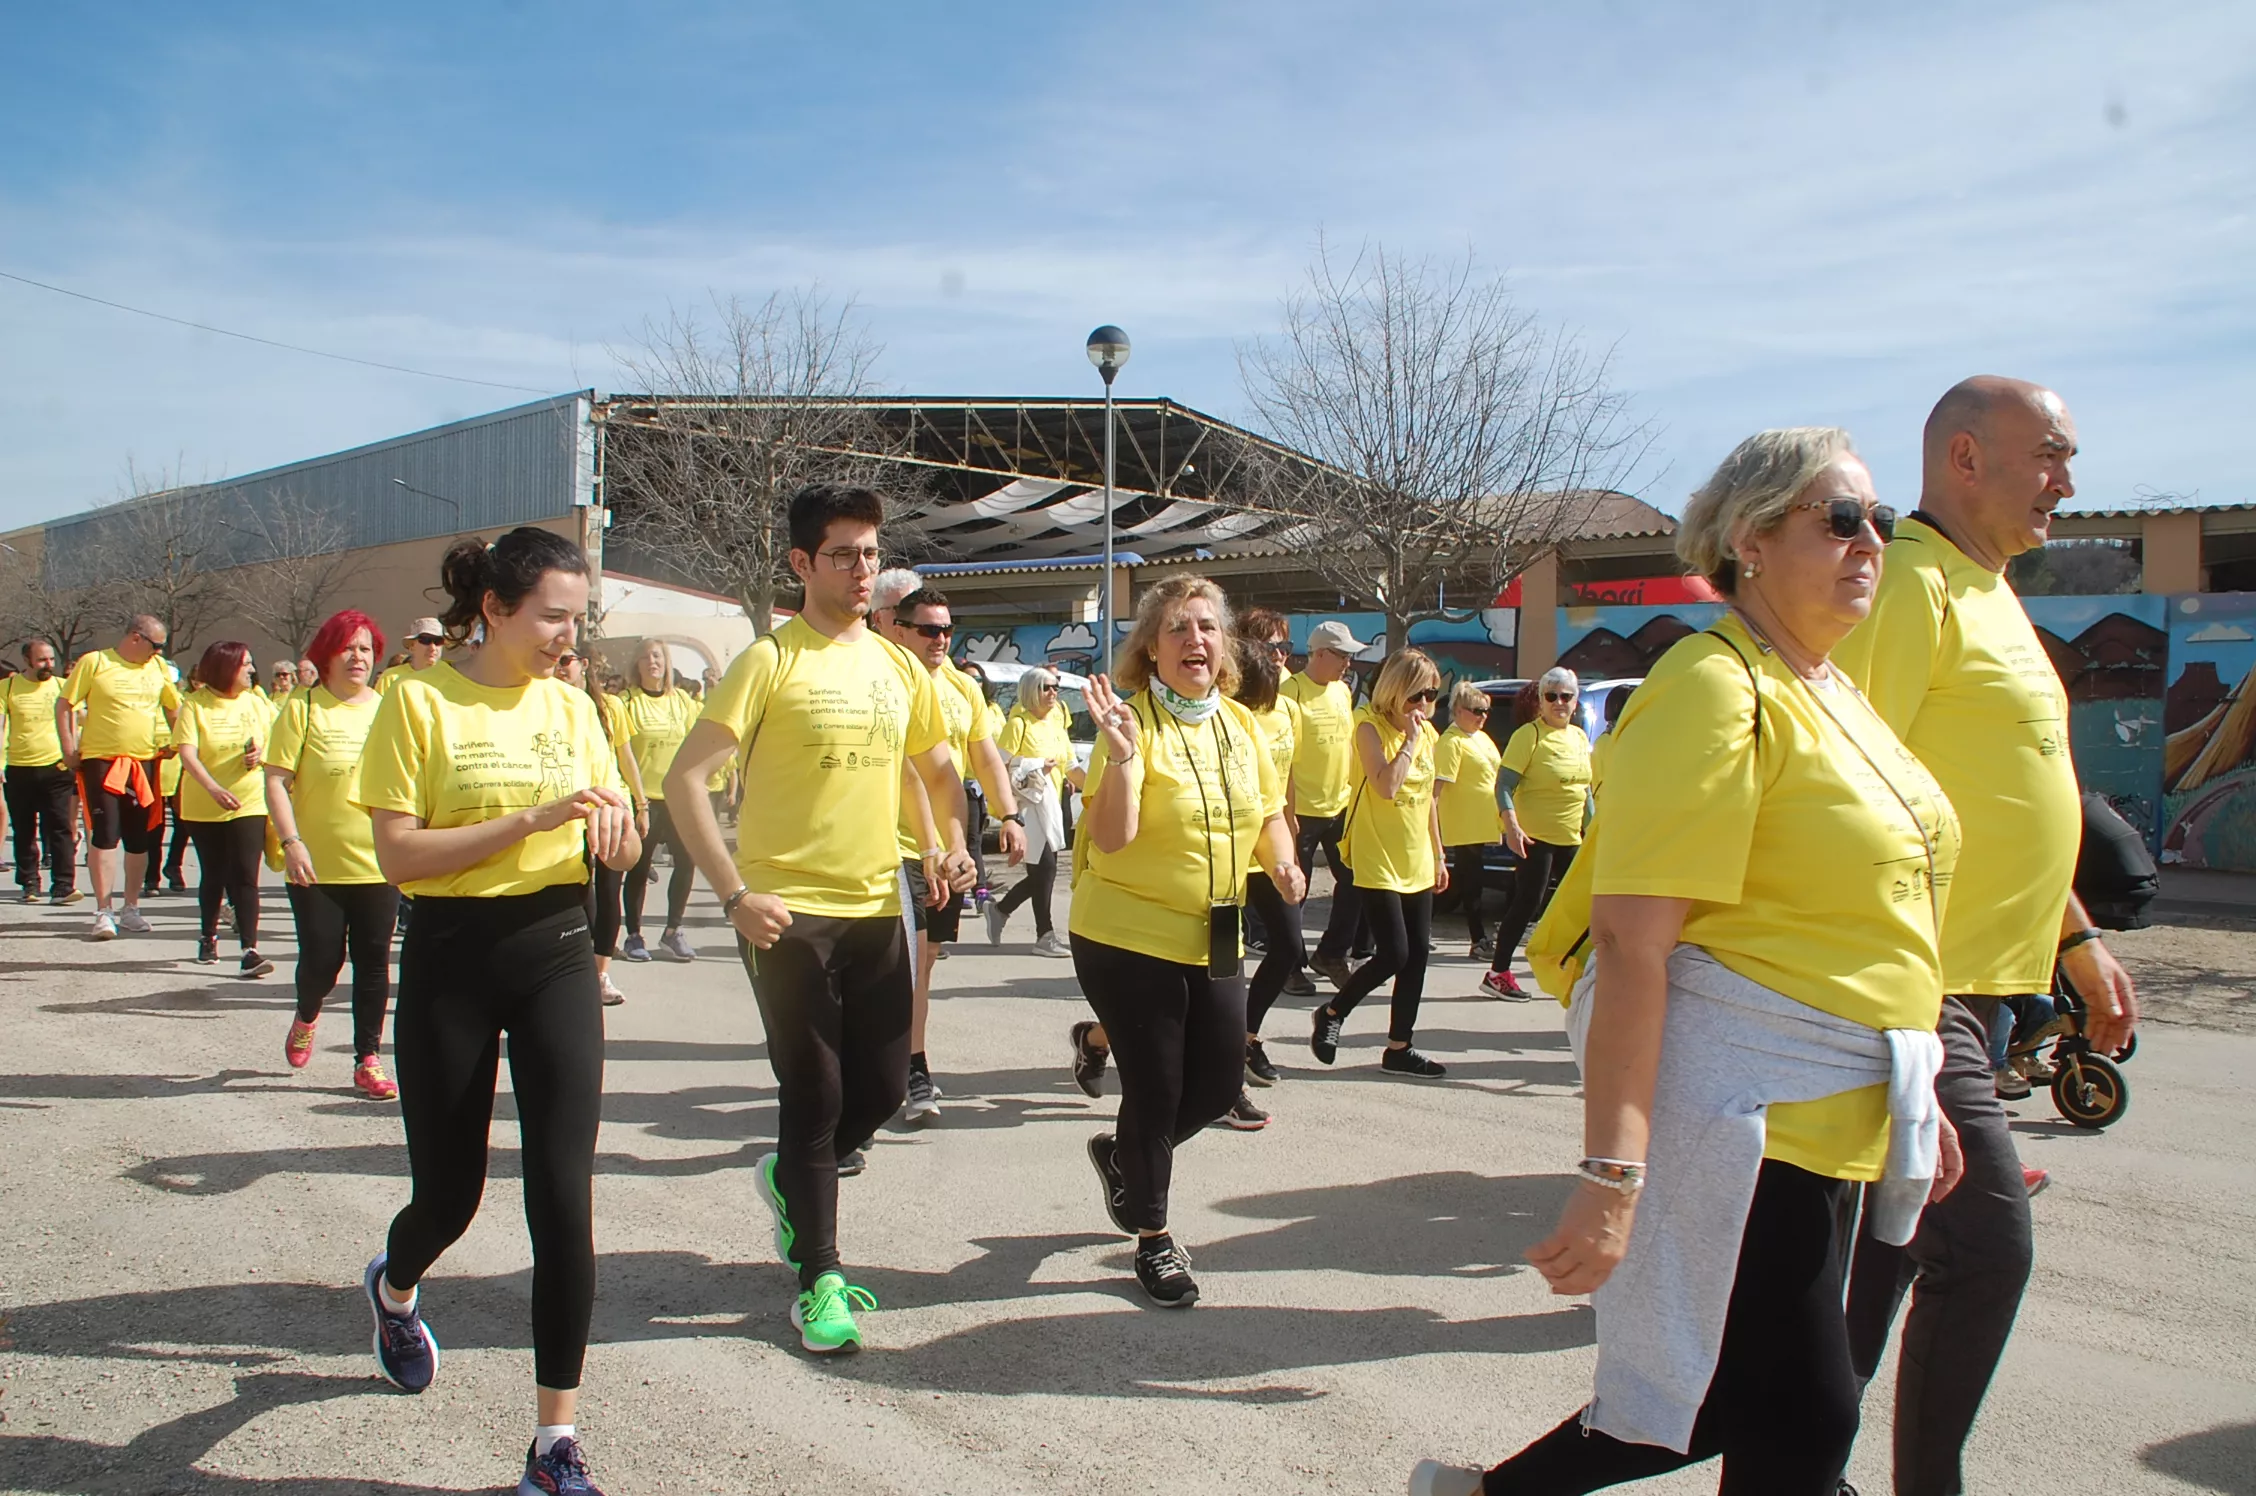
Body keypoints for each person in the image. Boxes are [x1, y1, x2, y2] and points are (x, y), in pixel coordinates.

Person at [1412, 426, 1966, 1496]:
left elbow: (1884, 917)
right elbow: (1632, 941)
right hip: (1752, 1119)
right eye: (1840, 519)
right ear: (1750, 540)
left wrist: (1915, 1085)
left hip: (1843, 1112)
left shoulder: (1834, 689)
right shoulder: (1714, 687)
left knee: (1742, 1402)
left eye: (1881, 521)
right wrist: (1612, 1173)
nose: (1871, 542)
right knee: (1805, 1413)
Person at [1832, 377, 2142, 1496]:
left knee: (1872, 1280)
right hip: (1920, 995)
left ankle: (1791, 1464)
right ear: (1965, 458)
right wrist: (1900, 1008)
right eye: (2049, 454)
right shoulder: (1909, 585)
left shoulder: (1992, 589)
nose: (2067, 481)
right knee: (1988, 1249)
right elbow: (1846, 792)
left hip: (1989, 987)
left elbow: (2007, 797)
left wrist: (2075, 938)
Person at [354, 525, 639, 1496]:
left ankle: (555, 1442)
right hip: (451, 955)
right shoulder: (419, 699)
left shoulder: (573, 704)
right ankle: (395, 1285)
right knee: (450, 1196)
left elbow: (621, 838)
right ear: (495, 609)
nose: (569, 634)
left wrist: (616, 835)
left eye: (577, 617)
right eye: (554, 616)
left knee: (562, 1196)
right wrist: (531, 819)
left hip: (556, 950)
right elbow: (399, 856)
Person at [665, 483, 975, 1355]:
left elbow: (931, 771)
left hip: (877, 905)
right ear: (803, 563)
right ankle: (820, 1279)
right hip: (785, 913)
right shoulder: (769, 661)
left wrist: (946, 843)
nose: (861, 569)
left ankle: (788, 1181)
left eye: (871, 553)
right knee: (816, 1095)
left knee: (882, 1089)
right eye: (843, 555)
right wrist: (734, 894)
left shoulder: (898, 667)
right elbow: (685, 778)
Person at [1066, 578, 1302, 1306]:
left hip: (1219, 928)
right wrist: (1122, 758)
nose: (1195, 639)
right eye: (1177, 628)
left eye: (1207, 627)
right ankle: (1154, 1237)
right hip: (1127, 933)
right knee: (1156, 1086)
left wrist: (1284, 863)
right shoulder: (1129, 723)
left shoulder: (1241, 724)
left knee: (1218, 1085)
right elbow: (1113, 837)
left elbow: (1268, 812)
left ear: (1224, 645)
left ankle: (1123, 1157)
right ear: (1150, 649)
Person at [880, 585, 1028, 1123]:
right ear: (899, 630)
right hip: (893, 845)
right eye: (928, 629)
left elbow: (984, 759)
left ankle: (903, 1059)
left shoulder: (964, 688)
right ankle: (909, 1068)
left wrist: (1009, 816)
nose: (940, 639)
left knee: (924, 963)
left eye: (946, 629)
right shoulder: (885, 681)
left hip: (948, 846)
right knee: (908, 962)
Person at [266, 609, 401, 1095]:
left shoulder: (387, 709)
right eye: (348, 648)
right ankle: (307, 1013)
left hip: (377, 862)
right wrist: (292, 842)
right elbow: (276, 781)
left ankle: (368, 1058)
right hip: (315, 864)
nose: (358, 657)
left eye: (366, 648)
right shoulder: (304, 707)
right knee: (323, 960)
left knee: (374, 962)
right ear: (327, 655)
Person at [1310, 648, 1450, 1078]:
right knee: (1393, 953)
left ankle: (1399, 1047)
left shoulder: (1429, 733)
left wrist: (1439, 853)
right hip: (1376, 854)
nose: (1424, 704)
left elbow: (1428, 799)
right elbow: (1386, 787)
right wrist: (1408, 741)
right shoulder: (1368, 727)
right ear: (1395, 689)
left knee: (1418, 954)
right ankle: (1333, 1013)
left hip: (1416, 855)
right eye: (1417, 694)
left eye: (1431, 695)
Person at [58, 615, 182, 939]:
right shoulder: (95, 662)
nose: (159, 652)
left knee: (139, 838)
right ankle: (104, 910)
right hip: (102, 760)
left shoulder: (157, 668)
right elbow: (65, 704)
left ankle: (131, 908)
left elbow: (174, 709)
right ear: (136, 637)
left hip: (143, 761)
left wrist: (178, 742)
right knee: (105, 834)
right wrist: (68, 747)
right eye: (156, 645)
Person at [1480, 666, 1592, 1000]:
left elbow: (1585, 790)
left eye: (1566, 696)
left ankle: (1576, 969)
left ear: (1575, 701)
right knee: (1528, 903)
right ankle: (1497, 973)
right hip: (1536, 838)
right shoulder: (1529, 735)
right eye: (1551, 696)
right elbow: (1504, 785)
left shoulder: (1579, 737)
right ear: (1541, 701)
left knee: (1581, 905)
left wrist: (1594, 829)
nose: (1559, 703)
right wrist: (1511, 826)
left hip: (1571, 837)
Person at [174, 641, 279, 976]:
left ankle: (250, 949)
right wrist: (213, 788)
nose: (252, 670)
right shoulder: (195, 704)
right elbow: (187, 754)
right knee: (215, 872)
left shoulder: (256, 701)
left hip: (249, 800)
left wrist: (260, 753)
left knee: (247, 874)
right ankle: (208, 935)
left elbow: (277, 741)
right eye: (245, 664)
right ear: (226, 667)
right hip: (205, 803)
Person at [1231, 631, 1301, 1121]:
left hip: (1271, 852)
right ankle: (1103, 1037)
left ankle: (1246, 1037)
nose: (1278, 656)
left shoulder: (1285, 711)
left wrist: (1290, 842)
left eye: (1283, 648)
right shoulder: (1227, 718)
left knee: (1290, 946)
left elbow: (1284, 781)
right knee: (1219, 966)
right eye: (1270, 648)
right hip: (1229, 853)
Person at [1283, 619, 1369, 989]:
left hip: (1339, 806)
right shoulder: (1290, 692)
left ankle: (1331, 954)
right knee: (1294, 893)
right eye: (1342, 655)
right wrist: (1286, 813)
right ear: (1319, 654)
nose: (1348, 663)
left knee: (1356, 880)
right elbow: (1281, 759)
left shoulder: (1342, 691)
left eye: (1350, 656)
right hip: (1300, 811)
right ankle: (1288, 966)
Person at [563, 652, 646, 1007]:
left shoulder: (610, 706)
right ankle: (576, 966)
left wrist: (641, 804)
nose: (560, 667)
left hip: (611, 807)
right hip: (569, 809)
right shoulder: (547, 702)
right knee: (580, 889)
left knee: (610, 889)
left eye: (566, 659)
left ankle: (600, 973)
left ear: (583, 664)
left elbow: (626, 757)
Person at [617, 638, 701, 963]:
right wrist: (635, 802)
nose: (652, 662)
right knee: (639, 869)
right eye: (645, 657)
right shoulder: (627, 702)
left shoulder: (682, 701)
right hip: (642, 800)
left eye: (657, 657)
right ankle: (634, 936)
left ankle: (672, 932)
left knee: (687, 862)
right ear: (636, 665)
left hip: (677, 799)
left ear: (666, 663)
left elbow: (697, 744)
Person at [983, 666, 1076, 956]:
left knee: (1043, 870)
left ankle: (1001, 910)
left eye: (1055, 687)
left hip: (1051, 806)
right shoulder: (1018, 724)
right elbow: (998, 765)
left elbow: (1072, 767)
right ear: (1031, 691)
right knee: (1044, 868)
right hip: (1026, 808)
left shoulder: (1056, 725)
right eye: (1046, 687)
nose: (1053, 692)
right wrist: (1033, 766)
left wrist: (1100, 790)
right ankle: (1044, 935)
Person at [3, 640, 79, 904]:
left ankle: (63, 886)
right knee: (24, 829)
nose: (48, 665)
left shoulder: (62, 687)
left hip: (56, 768)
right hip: (19, 769)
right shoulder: (7, 688)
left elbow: (74, 723)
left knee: (60, 827)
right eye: (41, 660)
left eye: (51, 659)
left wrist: (73, 756)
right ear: (27, 661)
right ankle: (29, 883)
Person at [1433, 682, 1503, 957]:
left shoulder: (1481, 738)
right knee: (1470, 882)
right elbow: (1436, 790)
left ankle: (1417, 926)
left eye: (1486, 711)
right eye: (1477, 710)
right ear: (1459, 710)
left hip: (1482, 821)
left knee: (1461, 883)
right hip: (1463, 824)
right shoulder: (1451, 742)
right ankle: (1479, 938)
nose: (1482, 716)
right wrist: (1431, 829)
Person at [375, 619, 446, 693]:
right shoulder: (390, 677)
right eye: (425, 640)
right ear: (412, 646)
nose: (433, 648)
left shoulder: (450, 677)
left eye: (438, 641)